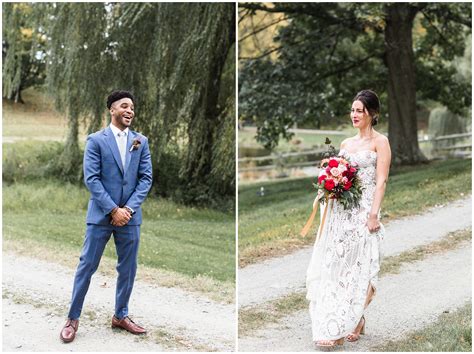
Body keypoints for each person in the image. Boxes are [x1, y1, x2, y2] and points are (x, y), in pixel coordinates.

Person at [60, 90, 153, 343]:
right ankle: (72, 318)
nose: (130, 111)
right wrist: (113, 210)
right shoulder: (96, 140)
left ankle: (120, 316)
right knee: (87, 266)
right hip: (101, 217)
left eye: (132, 107)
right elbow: (92, 179)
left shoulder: (140, 141)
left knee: (128, 268)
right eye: (124, 106)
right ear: (112, 109)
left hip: (130, 218)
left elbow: (145, 179)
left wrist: (128, 210)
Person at [305, 89, 391, 348]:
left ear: (372, 114)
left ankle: (349, 320)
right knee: (338, 265)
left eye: (359, 111)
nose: (354, 115)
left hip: (364, 211)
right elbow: (339, 178)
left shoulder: (381, 142)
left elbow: (381, 180)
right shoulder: (345, 145)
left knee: (361, 265)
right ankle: (339, 319)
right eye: (352, 110)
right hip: (342, 213)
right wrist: (329, 187)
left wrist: (374, 214)